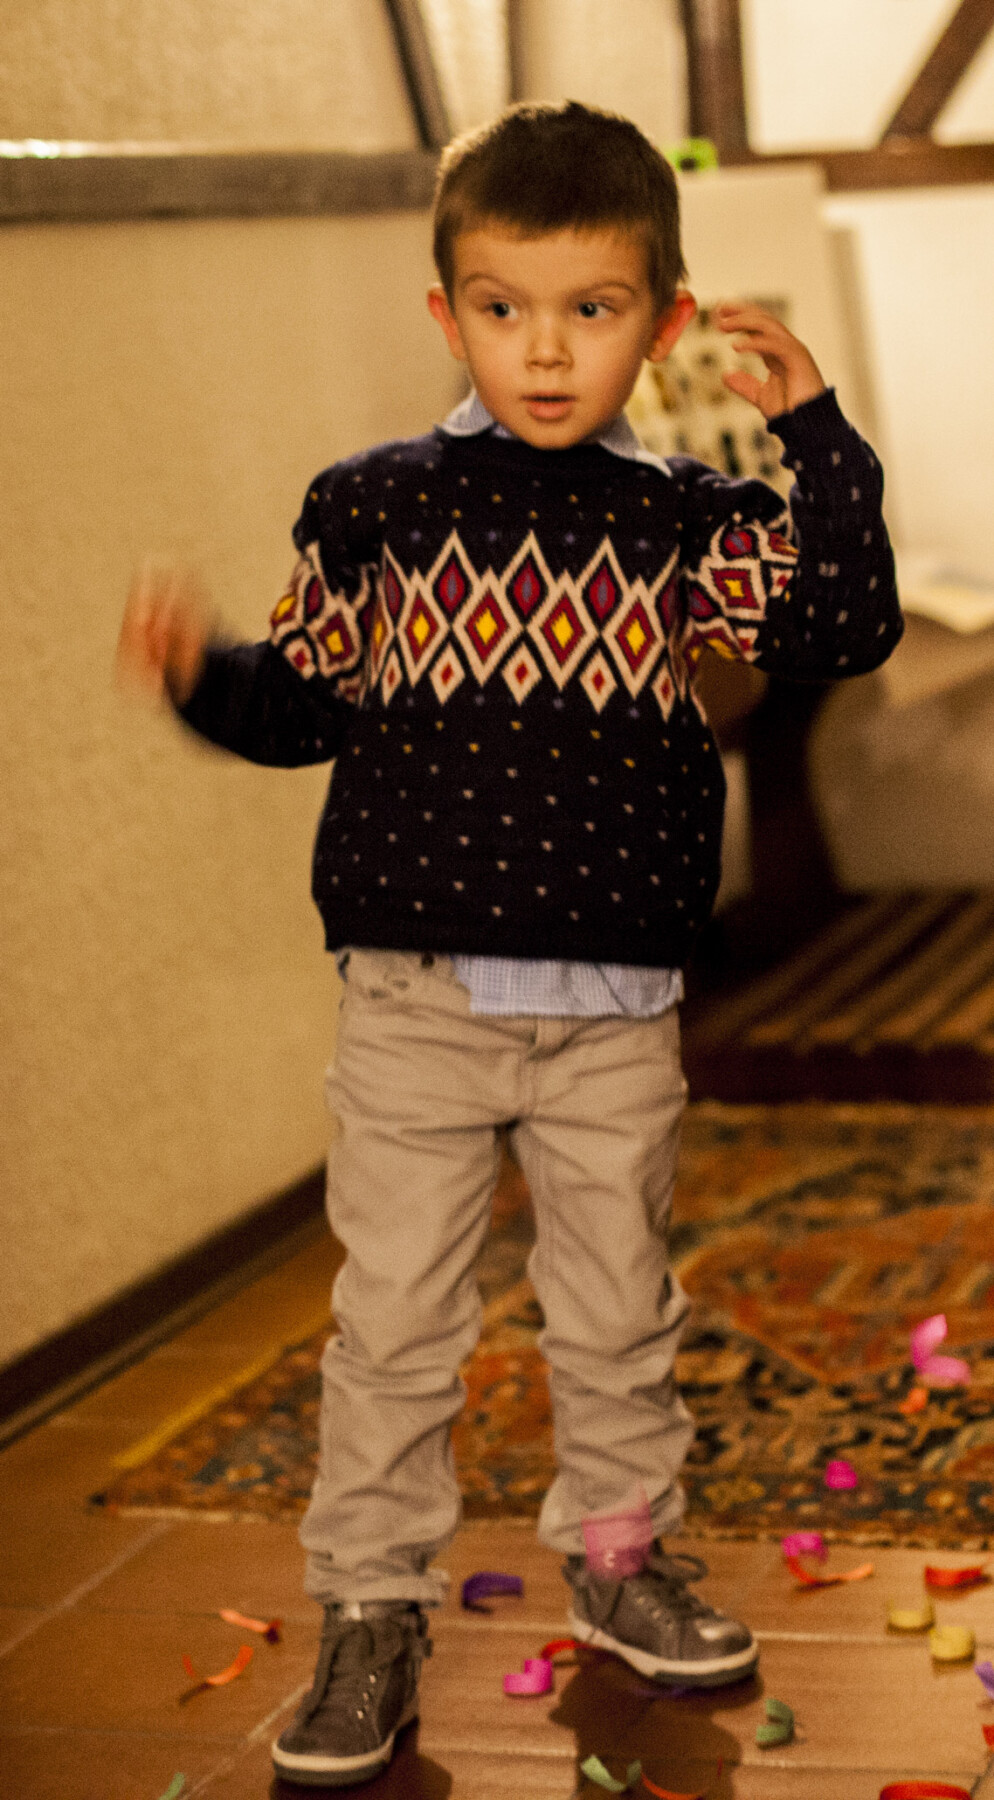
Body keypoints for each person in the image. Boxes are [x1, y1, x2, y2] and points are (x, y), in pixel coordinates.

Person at [116, 100, 902, 1789]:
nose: (544, 350)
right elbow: (302, 702)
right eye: (502, 306)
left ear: (661, 322)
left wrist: (819, 440)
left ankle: (618, 1565)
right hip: (414, 1003)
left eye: (590, 309)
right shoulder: (375, 510)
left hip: (613, 1011)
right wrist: (199, 676)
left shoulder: (689, 528)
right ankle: (369, 1609)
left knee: (614, 1315)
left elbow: (844, 624)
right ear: (447, 313)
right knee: (395, 1324)